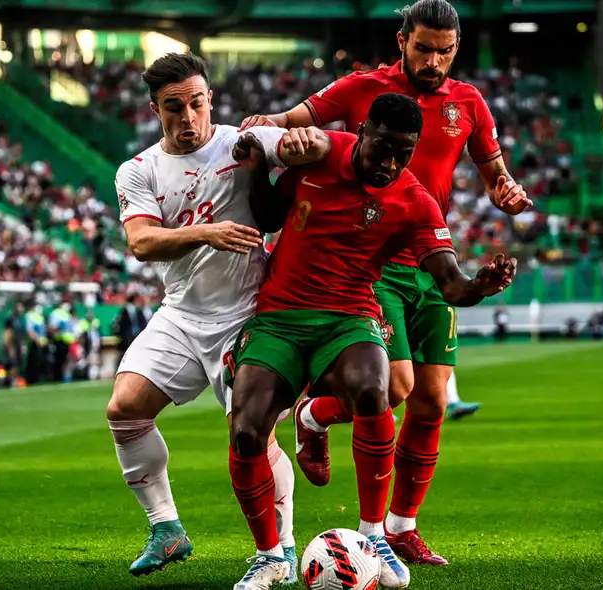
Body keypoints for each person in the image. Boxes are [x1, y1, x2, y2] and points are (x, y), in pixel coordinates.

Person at [240, 0, 531, 564]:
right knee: (392, 389)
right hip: (372, 266)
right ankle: (316, 414)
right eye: (423, 47)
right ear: (402, 40)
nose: (434, 60)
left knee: (430, 405)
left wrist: (508, 193)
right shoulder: (358, 88)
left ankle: (400, 528)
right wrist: (266, 128)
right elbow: (294, 121)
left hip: (431, 253)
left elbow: (495, 172)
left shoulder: (468, 102)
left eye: (445, 51)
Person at [105, 52, 330, 582]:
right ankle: (167, 529)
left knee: (251, 434)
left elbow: (317, 146)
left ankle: (284, 550)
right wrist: (207, 232)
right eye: (174, 108)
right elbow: (142, 242)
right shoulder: (138, 170)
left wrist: (305, 141)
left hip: (251, 315)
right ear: (155, 109)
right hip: (182, 314)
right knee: (125, 407)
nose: (188, 118)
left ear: (211, 100)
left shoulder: (241, 143)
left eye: (197, 103)